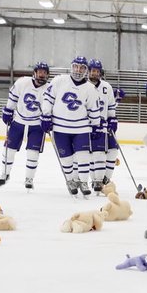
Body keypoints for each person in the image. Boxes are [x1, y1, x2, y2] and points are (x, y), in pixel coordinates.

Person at [42, 55, 103, 197]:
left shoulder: (90, 88)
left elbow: (94, 109)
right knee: (66, 159)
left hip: (81, 128)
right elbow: (48, 98)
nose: (78, 70)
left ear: (86, 70)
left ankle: (83, 181)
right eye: (76, 66)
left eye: (82, 67)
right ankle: (70, 180)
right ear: (71, 66)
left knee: (83, 156)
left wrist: (95, 125)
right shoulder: (59, 81)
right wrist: (45, 115)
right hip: (60, 127)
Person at [0, 61, 50, 189]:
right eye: (40, 72)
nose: (42, 75)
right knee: (8, 150)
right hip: (18, 121)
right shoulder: (22, 82)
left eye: (44, 72)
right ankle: (5, 174)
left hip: (37, 124)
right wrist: (9, 109)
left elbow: (50, 105)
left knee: (33, 153)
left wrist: (48, 117)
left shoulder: (49, 88)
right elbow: (13, 98)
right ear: (35, 73)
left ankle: (29, 179)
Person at [87, 59, 118, 191]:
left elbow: (110, 105)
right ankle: (96, 180)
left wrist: (112, 119)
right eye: (93, 71)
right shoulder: (84, 86)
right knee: (95, 153)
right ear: (88, 71)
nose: (95, 73)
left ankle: (105, 178)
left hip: (104, 125)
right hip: (88, 125)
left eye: (97, 71)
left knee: (113, 150)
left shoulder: (107, 86)